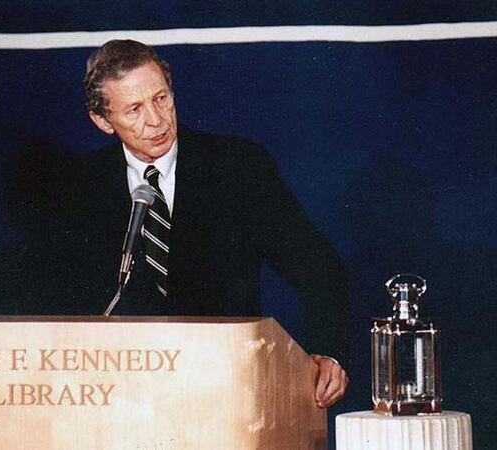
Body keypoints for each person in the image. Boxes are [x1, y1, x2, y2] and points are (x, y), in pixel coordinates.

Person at [75, 39, 350, 408]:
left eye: (161, 98)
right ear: (102, 120)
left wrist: (328, 353)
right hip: (124, 400)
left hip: (228, 393)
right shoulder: (80, 187)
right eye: (134, 109)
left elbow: (318, 266)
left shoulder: (237, 167)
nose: (156, 120)